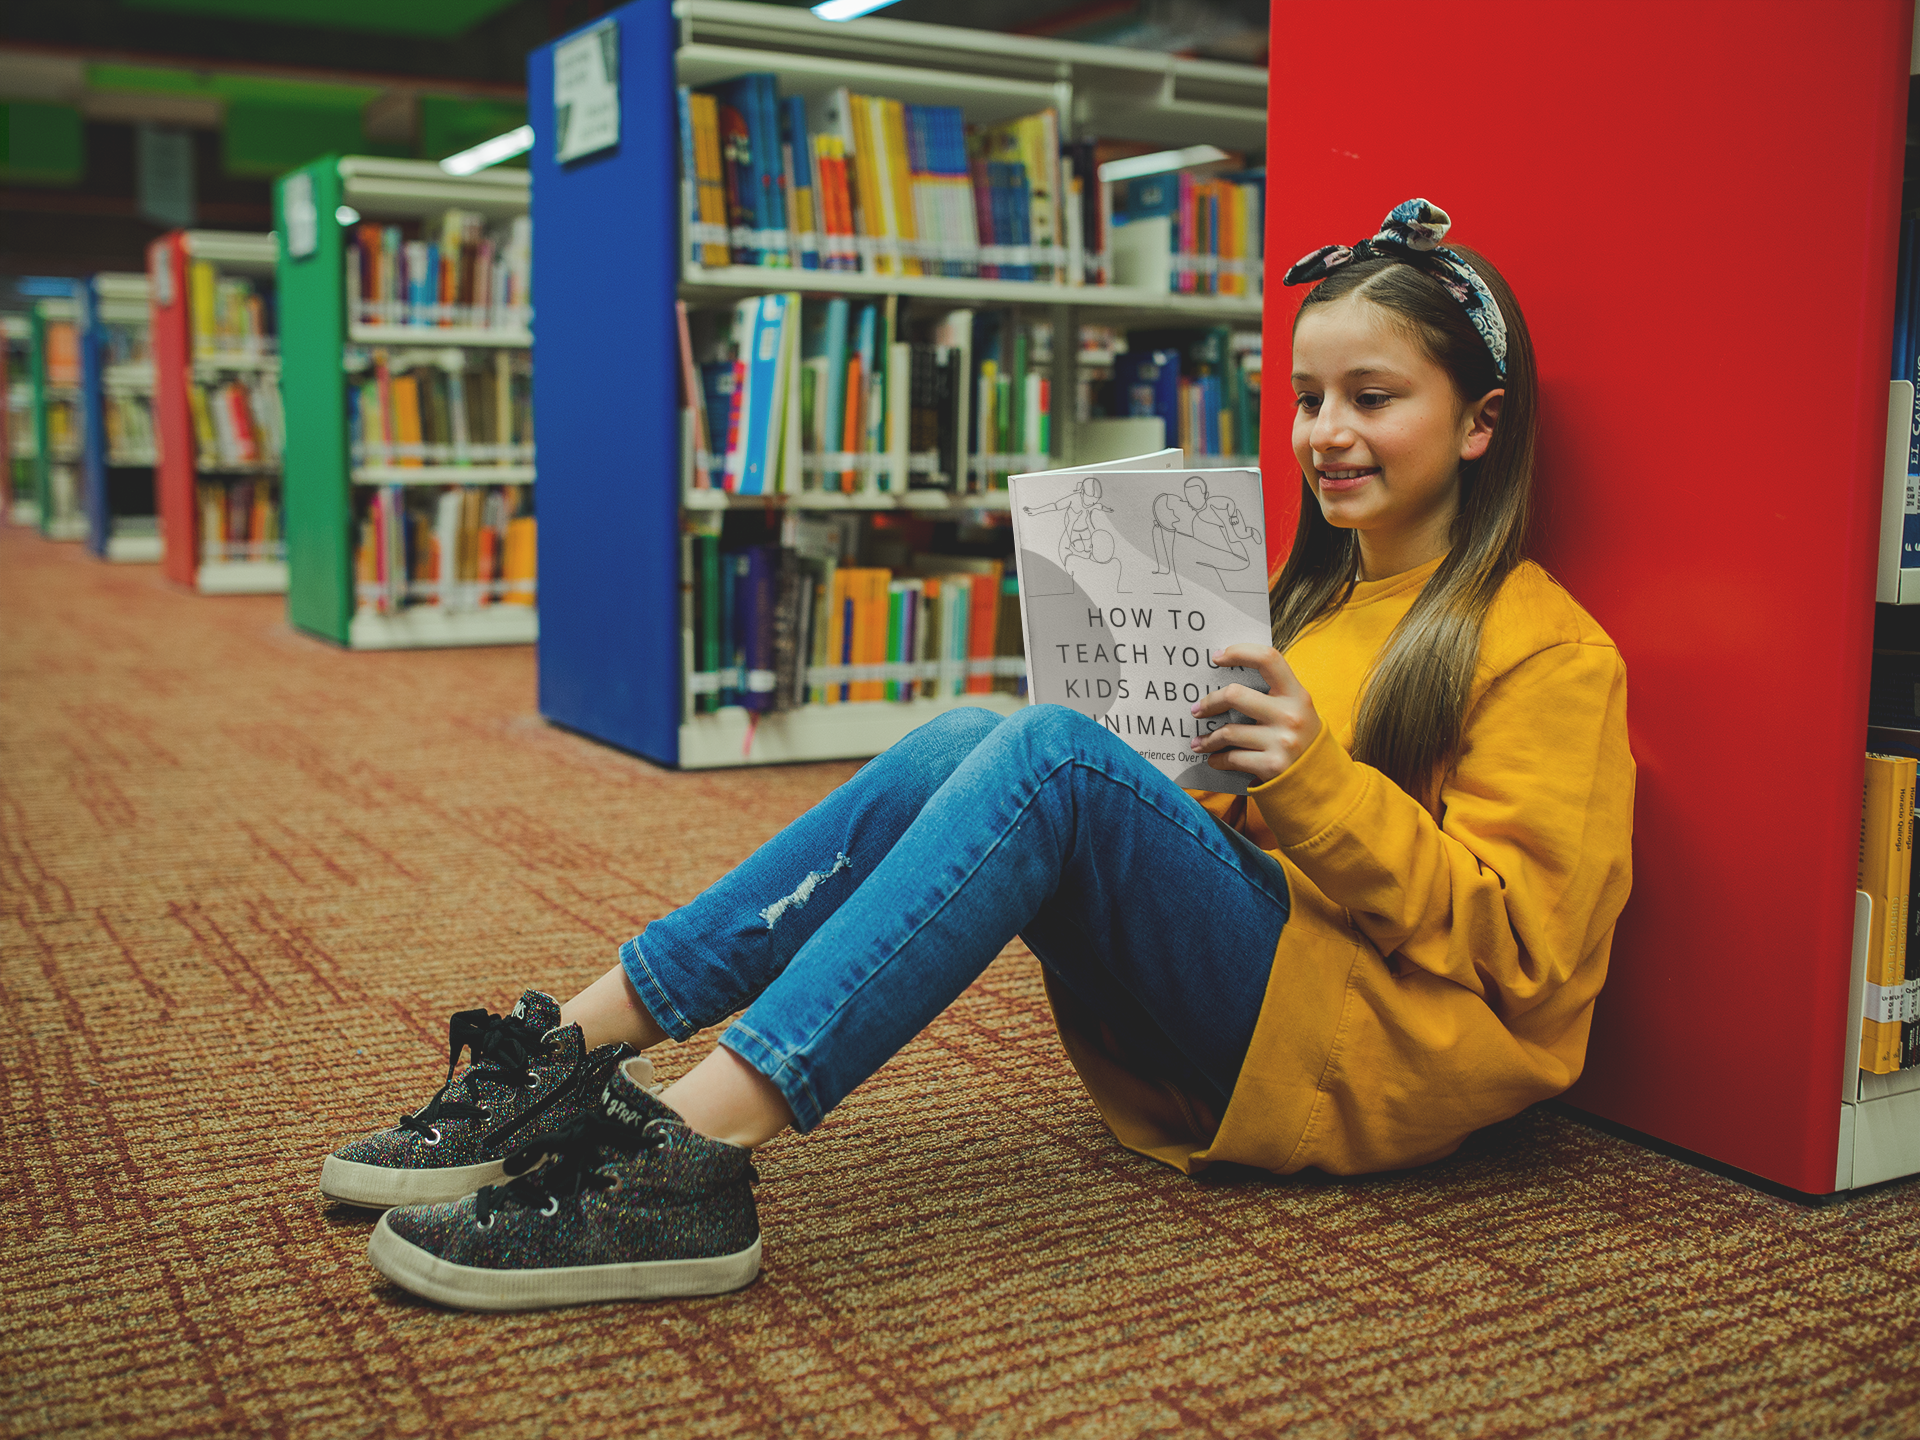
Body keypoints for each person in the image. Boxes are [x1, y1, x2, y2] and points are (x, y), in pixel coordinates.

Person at [323, 198, 1633, 1314]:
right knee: (976, 736)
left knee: (1049, 758)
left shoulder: (1543, 649)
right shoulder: (1303, 606)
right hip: (1254, 990)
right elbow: (1252, 838)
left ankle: (692, 1154)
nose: (1326, 432)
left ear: (1478, 422)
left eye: (1375, 397)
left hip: (1355, 1058)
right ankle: (567, 1048)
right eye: (1306, 399)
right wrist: (1178, 772)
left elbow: (1527, 955)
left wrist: (1306, 785)